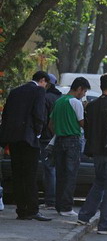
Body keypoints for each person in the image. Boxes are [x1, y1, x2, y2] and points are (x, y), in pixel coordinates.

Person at [77, 73, 107, 235]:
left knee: (98, 184)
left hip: (97, 152)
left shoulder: (91, 106)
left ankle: (84, 216)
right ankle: (105, 225)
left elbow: (87, 130)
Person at [0, 71, 51, 221]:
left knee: (18, 174)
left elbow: (6, 114)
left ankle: (21, 209)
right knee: (30, 174)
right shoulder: (39, 90)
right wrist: (38, 133)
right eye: (46, 83)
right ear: (42, 80)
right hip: (29, 138)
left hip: (13, 139)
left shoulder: (15, 91)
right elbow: (39, 113)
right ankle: (32, 209)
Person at [50, 77, 91, 216]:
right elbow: (82, 123)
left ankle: (59, 205)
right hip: (73, 140)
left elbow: (51, 124)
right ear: (79, 88)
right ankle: (67, 207)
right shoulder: (76, 102)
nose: (84, 94)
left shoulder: (59, 101)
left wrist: (60, 131)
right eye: (84, 91)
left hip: (59, 140)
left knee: (60, 174)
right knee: (71, 175)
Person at [39, 74, 62, 210]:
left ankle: (50, 200)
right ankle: (56, 199)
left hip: (46, 137)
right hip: (59, 137)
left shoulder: (45, 98)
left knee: (49, 169)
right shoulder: (60, 98)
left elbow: (42, 119)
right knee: (57, 169)